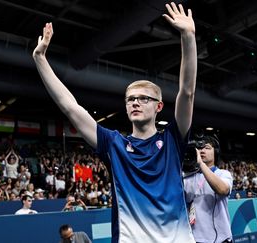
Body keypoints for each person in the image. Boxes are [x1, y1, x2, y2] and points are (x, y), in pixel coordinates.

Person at [33, 2, 197, 242]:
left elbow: (187, 92)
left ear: (159, 106)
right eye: (130, 99)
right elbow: (70, 107)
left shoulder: (173, 138)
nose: (135, 103)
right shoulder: (113, 144)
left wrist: (188, 37)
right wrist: (40, 59)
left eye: (143, 98)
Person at [183, 136, 233, 243]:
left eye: (207, 147)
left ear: (216, 152)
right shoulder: (187, 177)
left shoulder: (223, 174)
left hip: (221, 239)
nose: (202, 150)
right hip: (194, 239)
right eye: (199, 148)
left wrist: (200, 164)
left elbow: (223, 190)